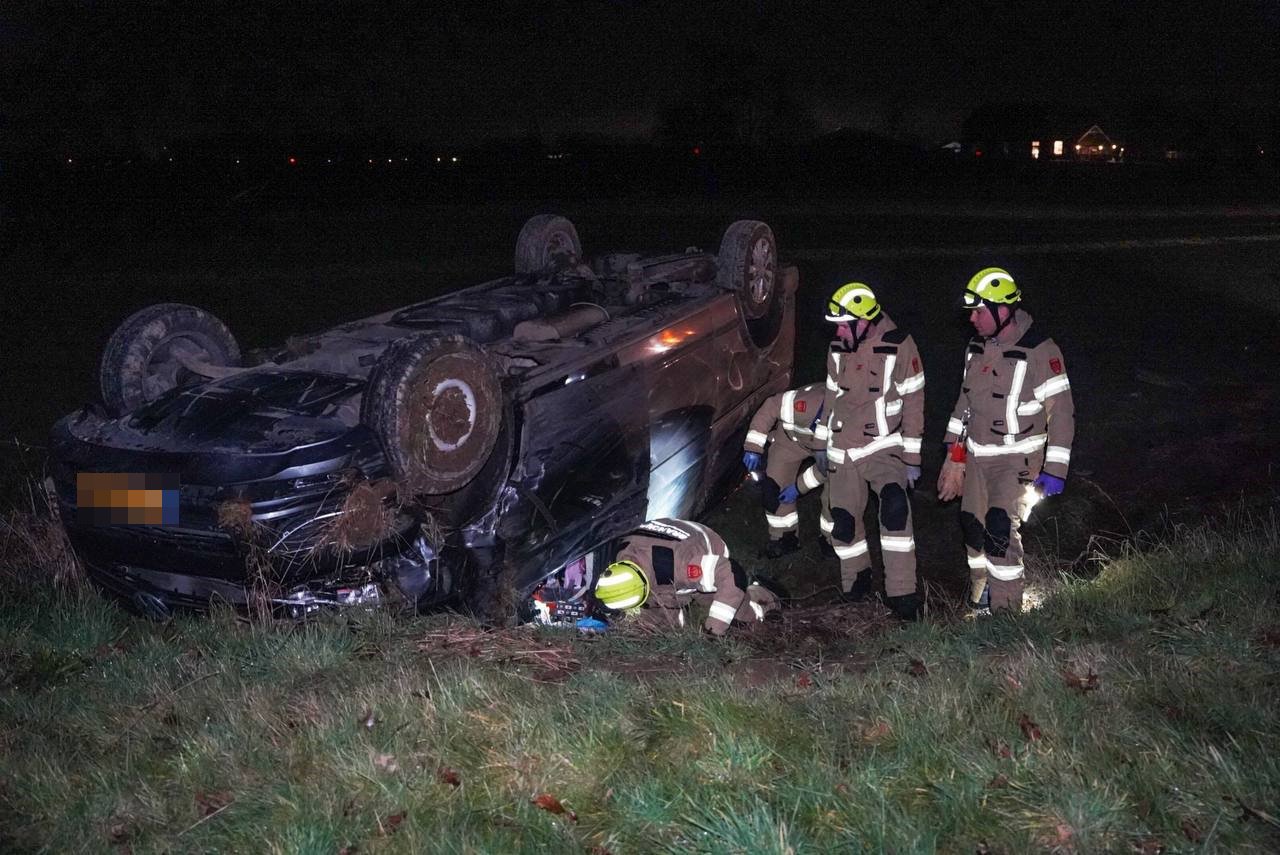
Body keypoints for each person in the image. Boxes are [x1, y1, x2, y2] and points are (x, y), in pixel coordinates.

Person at [937, 267, 1075, 614]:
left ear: (1003, 310)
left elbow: (1061, 412)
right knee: (973, 526)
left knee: (999, 528)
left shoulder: (1040, 349)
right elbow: (965, 403)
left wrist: (1055, 469)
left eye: (978, 311)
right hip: (976, 457)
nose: (972, 319)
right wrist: (953, 456)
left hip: (1017, 460)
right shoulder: (976, 348)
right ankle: (980, 597)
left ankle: (1006, 615)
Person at [817, 282, 926, 620]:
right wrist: (821, 441)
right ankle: (856, 584)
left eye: (843, 324)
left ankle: (902, 594)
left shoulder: (900, 345)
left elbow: (914, 400)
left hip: (883, 446)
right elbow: (831, 396)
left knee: (895, 511)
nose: (837, 331)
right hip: (842, 450)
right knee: (844, 523)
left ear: (863, 321)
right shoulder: (838, 347)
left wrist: (912, 459)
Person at [593, 517, 780, 636]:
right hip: (659, 556)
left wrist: (714, 629)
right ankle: (666, 624)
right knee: (659, 626)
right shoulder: (619, 558)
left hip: (705, 547)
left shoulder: (681, 565)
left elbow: (732, 573)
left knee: (738, 616)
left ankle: (766, 597)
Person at [742, 383, 829, 558]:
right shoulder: (806, 403)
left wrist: (798, 488)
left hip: (828, 455)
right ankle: (784, 538)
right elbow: (771, 406)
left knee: (838, 498)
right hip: (789, 441)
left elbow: (828, 469)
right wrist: (753, 447)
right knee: (773, 489)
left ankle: (832, 541)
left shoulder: (849, 431)